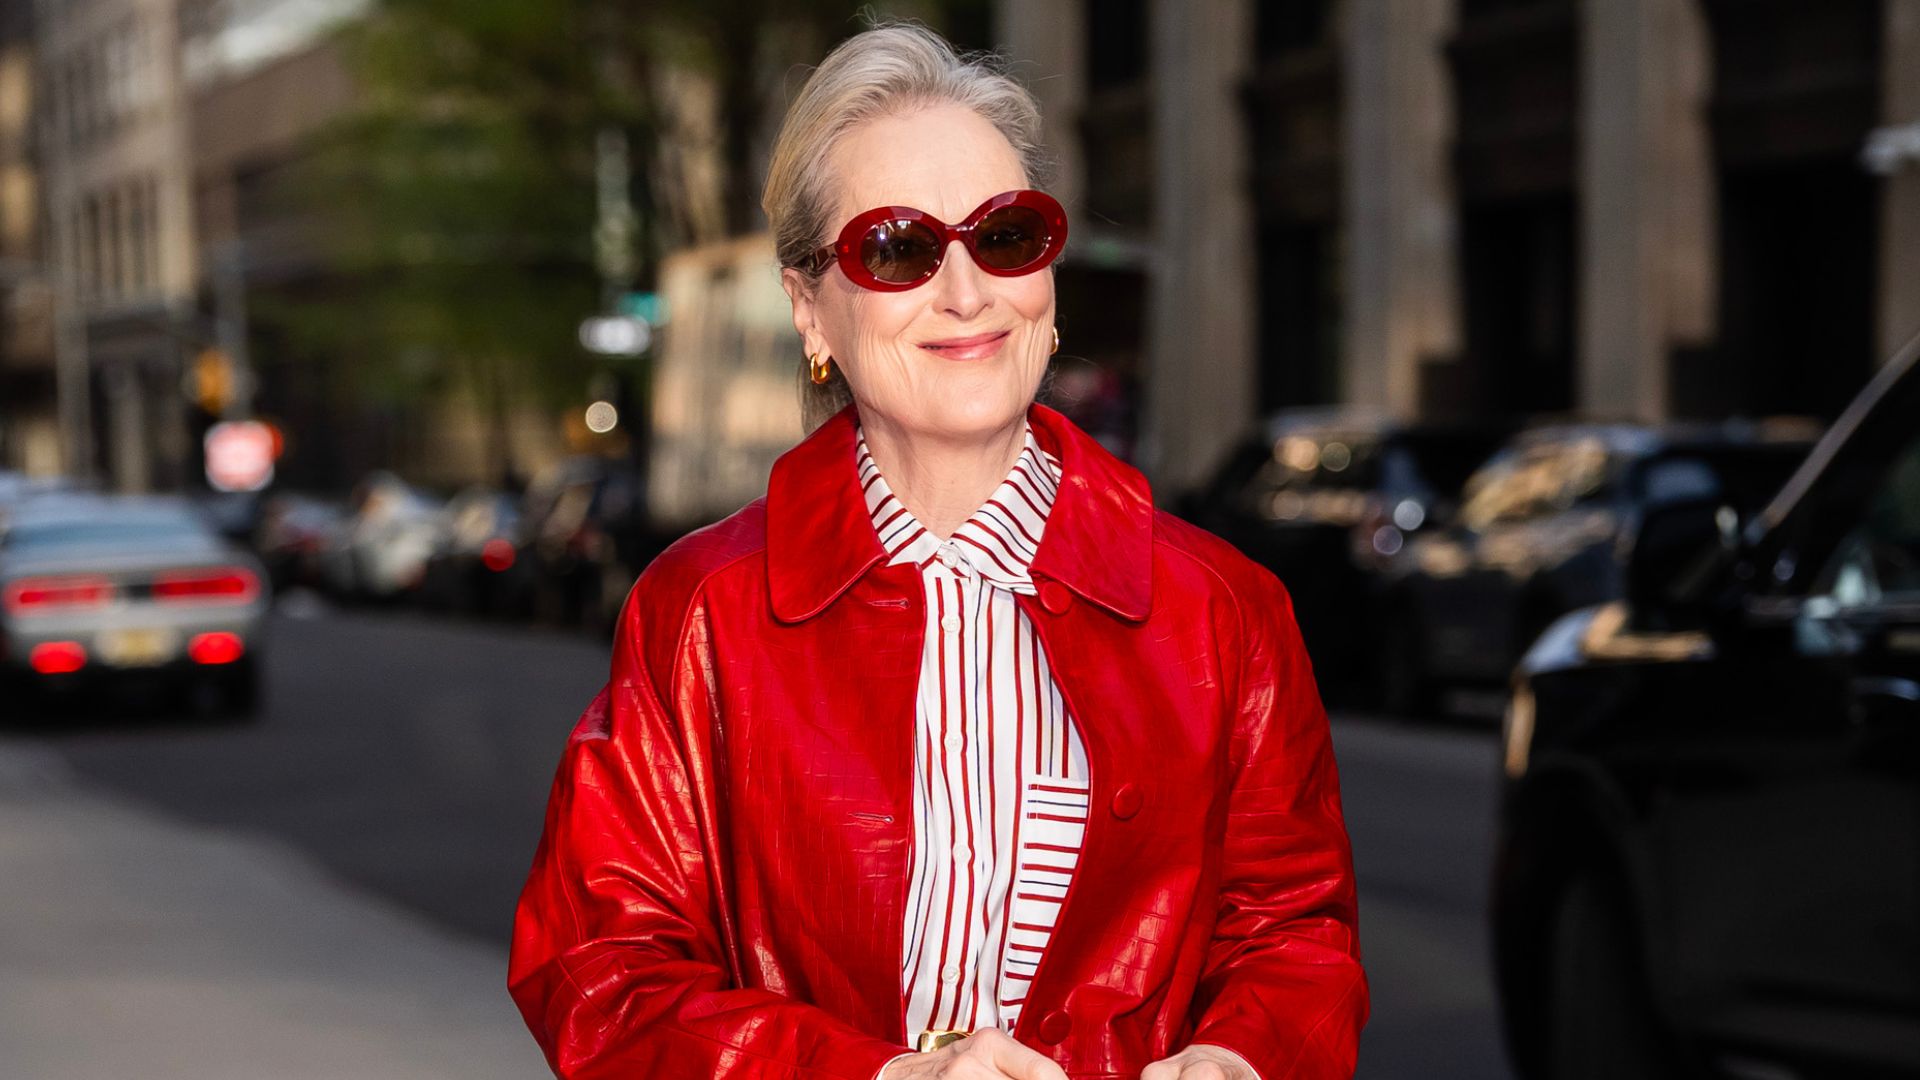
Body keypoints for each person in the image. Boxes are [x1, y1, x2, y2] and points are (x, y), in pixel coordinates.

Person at [509, 20, 1367, 1080]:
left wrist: (1238, 1058)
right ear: (810, 309)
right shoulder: (701, 613)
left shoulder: (1224, 608)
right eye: (897, 249)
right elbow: (601, 970)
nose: (967, 294)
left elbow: (1296, 934)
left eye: (1005, 235)